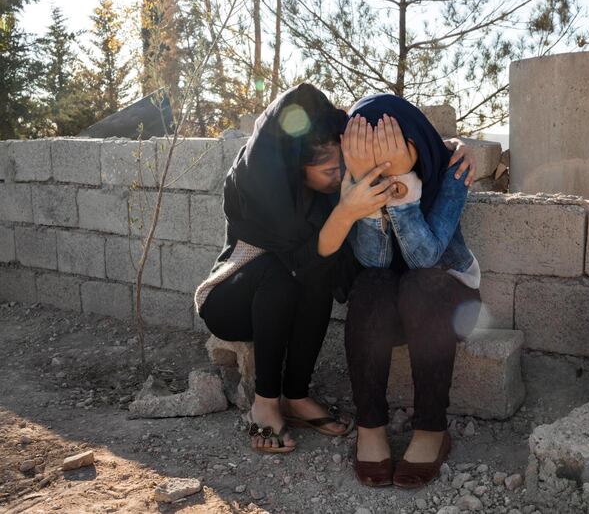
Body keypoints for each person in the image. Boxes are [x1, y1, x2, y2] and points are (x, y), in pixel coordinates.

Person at [194, 84, 478, 454]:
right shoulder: (268, 189)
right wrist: (352, 209)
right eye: (330, 170)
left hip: (403, 293)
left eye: (343, 164)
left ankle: (299, 396)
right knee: (291, 275)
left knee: (331, 275)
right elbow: (314, 258)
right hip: (238, 295)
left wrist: (434, 153)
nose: (340, 174)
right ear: (298, 169)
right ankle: (268, 403)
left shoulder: (339, 184)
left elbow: (392, 151)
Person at [341, 94, 482, 488]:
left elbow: (425, 257)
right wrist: (369, 196)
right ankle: (370, 426)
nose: (382, 162)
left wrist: (403, 187)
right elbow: (375, 262)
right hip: (391, 303)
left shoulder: (450, 169)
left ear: (415, 144)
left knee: (421, 283)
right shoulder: (351, 177)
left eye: (391, 149)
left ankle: (431, 430)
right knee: (370, 284)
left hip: (447, 300)